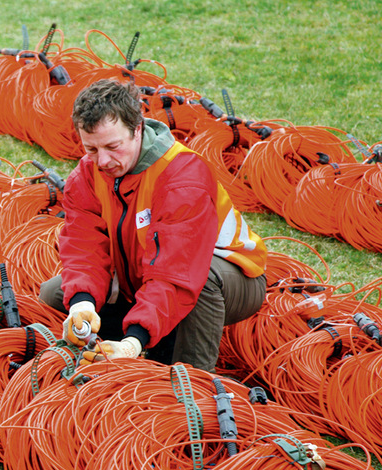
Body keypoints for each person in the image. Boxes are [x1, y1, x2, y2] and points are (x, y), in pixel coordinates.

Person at [39, 79, 268, 372]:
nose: (103, 161)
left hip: (230, 279)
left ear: (137, 131)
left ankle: (191, 379)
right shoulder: (86, 176)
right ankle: (134, 345)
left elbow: (176, 274)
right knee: (57, 294)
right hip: (142, 273)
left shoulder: (182, 178)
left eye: (112, 146)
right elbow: (84, 248)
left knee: (203, 280)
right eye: (92, 149)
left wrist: (135, 340)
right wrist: (82, 306)